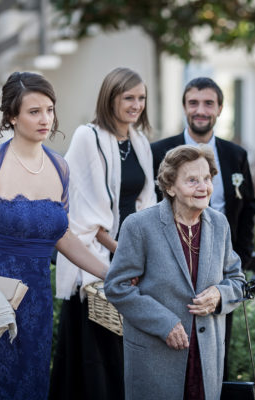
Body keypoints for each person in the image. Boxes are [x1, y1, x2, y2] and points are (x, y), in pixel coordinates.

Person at [0, 71, 108, 400]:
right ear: (12, 117)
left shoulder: (60, 168)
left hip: (36, 303)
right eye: (34, 112)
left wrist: (113, 272)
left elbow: (65, 238)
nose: (45, 119)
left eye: (49, 109)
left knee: (27, 388)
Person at [105, 145, 246, 400]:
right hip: (156, 355)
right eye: (192, 180)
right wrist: (164, 323)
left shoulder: (219, 223)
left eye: (207, 178)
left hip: (206, 359)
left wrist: (219, 295)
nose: (203, 187)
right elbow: (117, 286)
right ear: (170, 187)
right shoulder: (139, 226)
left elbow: (238, 281)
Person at [49, 67, 156, 400]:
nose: (136, 105)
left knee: (129, 354)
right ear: (111, 98)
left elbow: (147, 203)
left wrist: (145, 255)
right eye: (129, 98)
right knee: (99, 359)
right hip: (96, 261)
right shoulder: (88, 137)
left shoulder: (139, 142)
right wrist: (124, 255)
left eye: (141, 98)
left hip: (133, 257)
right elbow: (82, 215)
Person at [151, 77, 255, 378]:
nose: (200, 110)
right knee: (171, 353)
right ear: (184, 107)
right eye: (193, 103)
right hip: (169, 267)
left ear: (220, 108)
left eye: (208, 103)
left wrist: (240, 259)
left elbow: (248, 207)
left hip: (219, 270)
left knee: (216, 354)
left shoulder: (236, 155)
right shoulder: (159, 150)